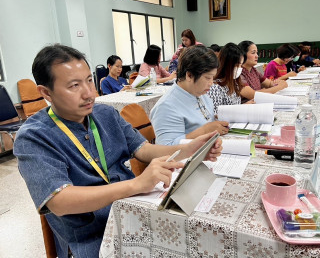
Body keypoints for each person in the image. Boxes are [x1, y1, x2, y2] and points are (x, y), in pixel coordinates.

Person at [14, 44, 222, 258]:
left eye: (88, 80)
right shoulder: (34, 137)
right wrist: (135, 185)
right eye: (74, 85)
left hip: (135, 214)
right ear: (46, 93)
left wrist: (188, 149)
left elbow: (144, 149)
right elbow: (59, 201)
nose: (89, 94)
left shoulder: (105, 114)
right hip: (94, 238)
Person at [150, 45, 229, 145]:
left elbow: (205, 119)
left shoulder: (199, 92)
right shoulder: (166, 106)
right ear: (189, 75)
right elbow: (165, 149)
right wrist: (205, 131)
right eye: (208, 78)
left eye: (213, 78)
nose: (211, 83)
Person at [208, 43, 254, 115]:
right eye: (237, 65)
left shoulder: (234, 83)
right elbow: (216, 114)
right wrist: (242, 108)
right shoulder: (215, 87)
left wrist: (243, 106)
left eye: (240, 65)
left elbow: (234, 107)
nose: (239, 68)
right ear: (227, 65)